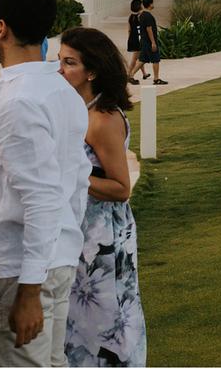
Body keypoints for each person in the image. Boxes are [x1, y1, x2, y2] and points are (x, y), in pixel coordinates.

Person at [0, 0, 90, 368]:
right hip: (54, 257)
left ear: (1, 28)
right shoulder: (60, 90)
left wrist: (30, 291)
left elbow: (42, 196)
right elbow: (75, 184)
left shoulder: (18, 100)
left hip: (21, 268)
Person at [56, 28, 147, 367]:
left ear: (91, 71)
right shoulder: (76, 109)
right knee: (74, 326)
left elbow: (121, 188)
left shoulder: (102, 119)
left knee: (103, 323)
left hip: (100, 239)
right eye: (59, 61)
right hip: (76, 229)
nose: (61, 70)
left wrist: (71, 171)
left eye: (69, 63)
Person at [137, 0, 164, 86]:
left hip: (144, 40)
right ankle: (156, 79)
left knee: (143, 59)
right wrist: (153, 42)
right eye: (152, 3)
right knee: (156, 59)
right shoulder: (148, 16)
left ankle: (131, 75)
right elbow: (149, 29)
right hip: (149, 41)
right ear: (150, 4)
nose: (153, 4)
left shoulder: (142, 15)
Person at [123, 0, 150, 85]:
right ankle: (129, 75)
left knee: (139, 57)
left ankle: (144, 74)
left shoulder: (130, 17)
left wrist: (130, 39)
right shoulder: (140, 16)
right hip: (138, 39)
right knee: (135, 59)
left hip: (132, 38)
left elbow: (129, 29)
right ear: (140, 6)